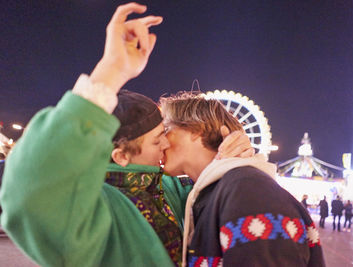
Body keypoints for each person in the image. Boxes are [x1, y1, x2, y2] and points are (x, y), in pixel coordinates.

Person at [0, 3, 252, 266]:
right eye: (156, 139)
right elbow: (30, 193)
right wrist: (110, 71)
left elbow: (213, 194)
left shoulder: (169, 189)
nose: (166, 142)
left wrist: (233, 160)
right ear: (120, 155)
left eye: (164, 132)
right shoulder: (91, 207)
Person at [160, 93, 325, 266]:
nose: (160, 142)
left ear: (196, 129)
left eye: (165, 130)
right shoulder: (214, 193)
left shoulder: (249, 192)